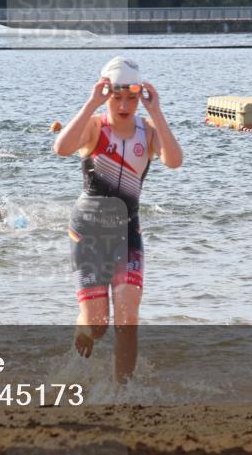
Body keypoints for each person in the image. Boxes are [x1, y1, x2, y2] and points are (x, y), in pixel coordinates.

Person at [53, 56, 182, 383]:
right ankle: (85, 324)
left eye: (132, 98)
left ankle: (122, 393)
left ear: (140, 97)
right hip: (89, 232)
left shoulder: (147, 131)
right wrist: (91, 102)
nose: (124, 105)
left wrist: (156, 112)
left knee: (127, 315)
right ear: (106, 93)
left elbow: (175, 161)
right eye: (117, 97)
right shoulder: (96, 126)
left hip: (128, 232)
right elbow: (61, 148)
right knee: (99, 326)